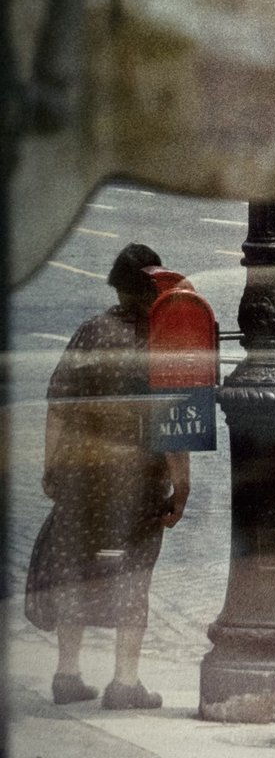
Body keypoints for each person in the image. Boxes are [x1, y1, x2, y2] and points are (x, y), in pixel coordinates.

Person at [25, 243, 190, 709]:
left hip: (82, 471)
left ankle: (67, 674)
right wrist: (183, 486)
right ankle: (124, 683)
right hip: (138, 479)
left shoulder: (91, 331)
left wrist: (50, 463)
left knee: (75, 568)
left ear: (117, 287)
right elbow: (177, 424)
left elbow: (58, 403)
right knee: (133, 575)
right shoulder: (167, 338)